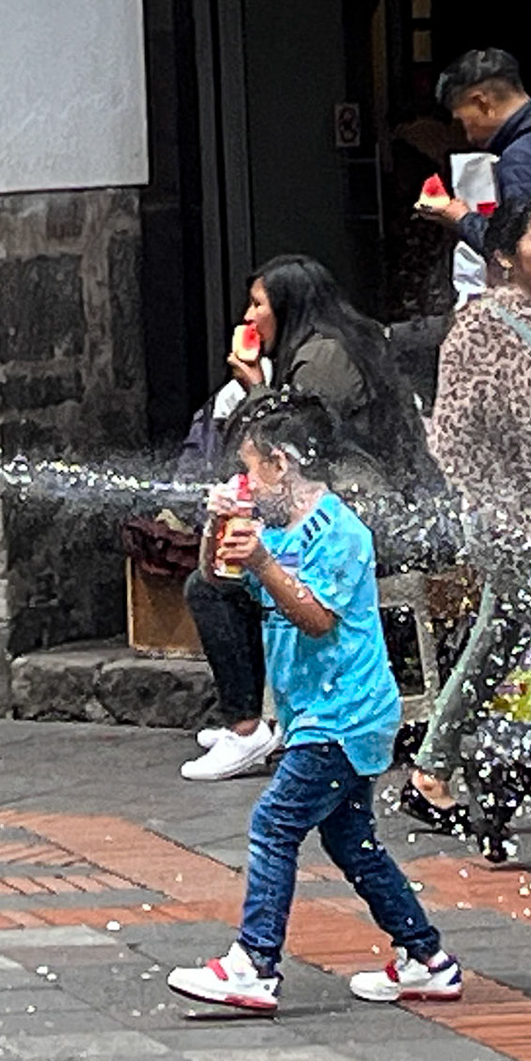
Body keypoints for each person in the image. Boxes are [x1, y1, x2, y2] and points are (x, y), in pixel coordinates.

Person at [167, 394, 462, 1012]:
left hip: (347, 713)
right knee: (351, 842)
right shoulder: (272, 528)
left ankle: (255, 963)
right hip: (312, 714)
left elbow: (318, 619)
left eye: (248, 467)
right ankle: (427, 958)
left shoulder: (341, 532)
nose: (241, 481)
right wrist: (216, 532)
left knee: (273, 825)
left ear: (282, 463)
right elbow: (215, 581)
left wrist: (265, 562)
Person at [181, 254, 433, 782]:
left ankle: (246, 727)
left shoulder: (323, 358)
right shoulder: (337, 341)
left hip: (360, 520)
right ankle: (252, 717)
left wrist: (254, 385)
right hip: (361, 507)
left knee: (212, 589)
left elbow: (300, 442)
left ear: (289, 304)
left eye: (258, 304)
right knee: (222, 570)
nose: (249, 318)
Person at [403, 198, 531, 857]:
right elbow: (455, 436)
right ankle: (509, 779)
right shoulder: (480, 327)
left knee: (496, 640)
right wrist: (499, 511)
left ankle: (434, 767)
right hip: (510, 523)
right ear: (504, 255)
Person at [422, 49, 531, 256]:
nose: (467, 137)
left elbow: (523, 247)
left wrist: (461, 218)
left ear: (481, 102)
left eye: (461, 121)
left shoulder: (522, 157)